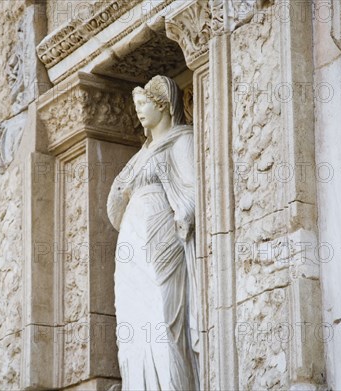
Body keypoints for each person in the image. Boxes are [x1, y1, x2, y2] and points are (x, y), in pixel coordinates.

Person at [107, 75, 199, 390]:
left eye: (144, 104)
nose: (139, 112)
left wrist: (184, 216)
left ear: (163, 105)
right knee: (133, 322)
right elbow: (116, 207)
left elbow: (193, 191)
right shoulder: (138, 156)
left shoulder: (182, 139)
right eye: (136, 106)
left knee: (163, 318)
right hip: (132, 241)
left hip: (163, 239)